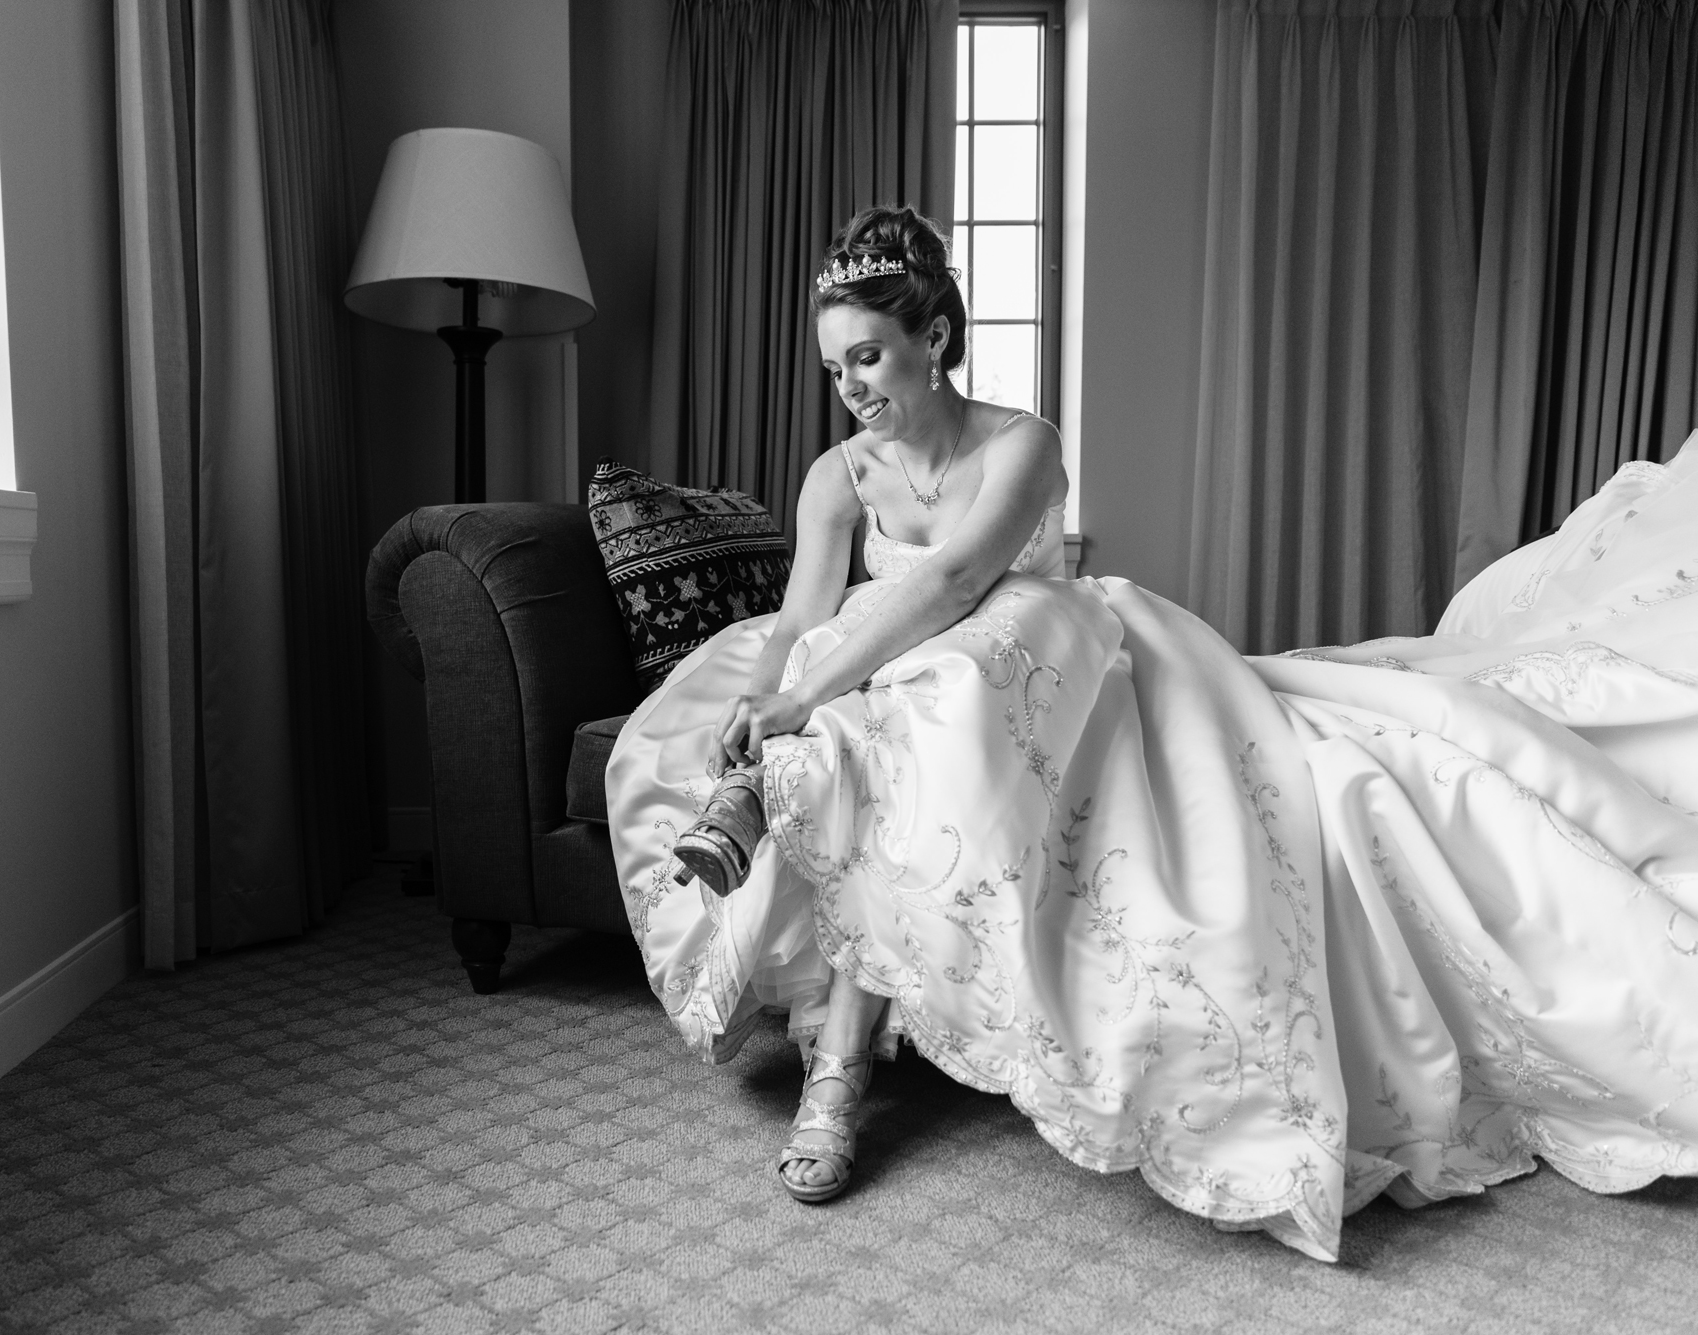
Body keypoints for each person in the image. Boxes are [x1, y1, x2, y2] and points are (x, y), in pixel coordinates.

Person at [606, 204, 1698, 1261]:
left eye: (869, 361)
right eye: (832, 368)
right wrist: (775, 699)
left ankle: (805, 952)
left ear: (933, 339)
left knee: (949, 654)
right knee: (856, 669)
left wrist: (814, 695)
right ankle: (826, 1041)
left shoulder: (1021, 443)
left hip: (1047, 683)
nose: (847, 392)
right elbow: (803, 621)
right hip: (907, 696)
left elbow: (951, 580)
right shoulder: (834, 480)